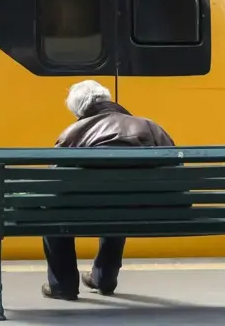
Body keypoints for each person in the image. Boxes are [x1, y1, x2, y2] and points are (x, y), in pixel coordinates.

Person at [41, 79, 175, 302]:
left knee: (52, 213)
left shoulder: (73, 133)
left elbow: (55, 184)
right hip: (148, 211)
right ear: (107, 99)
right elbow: (175, 168)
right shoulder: (149, 126)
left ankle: (63, 285)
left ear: (79, 111)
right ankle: (103, 278)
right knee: (119, 204)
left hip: (88, 212)